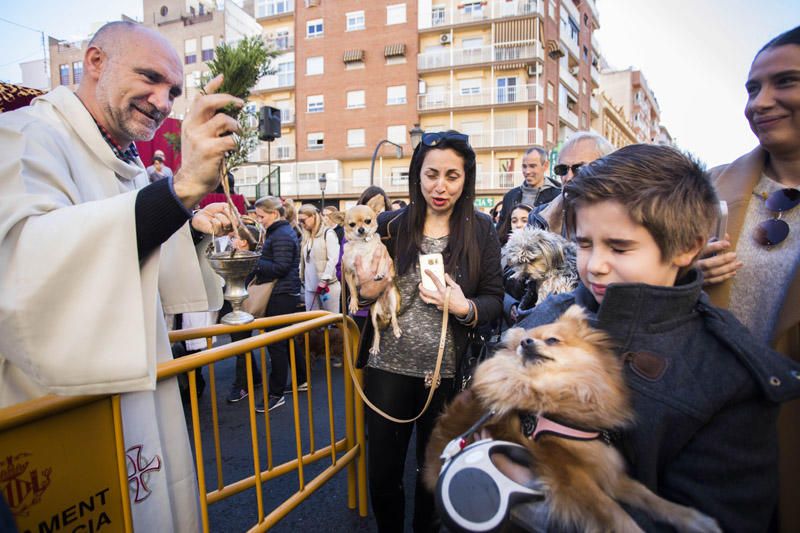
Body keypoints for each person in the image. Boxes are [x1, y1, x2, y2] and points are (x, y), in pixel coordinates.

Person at [0, 21, 242, 531]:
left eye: (173, 91)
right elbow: (26, 263)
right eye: (149, 78)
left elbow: (143, 251)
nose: (162, 101)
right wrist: (177, 193)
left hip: (137, 379)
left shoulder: (124, 160)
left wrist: (189, 223)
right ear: (94, 63)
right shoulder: (26, 135)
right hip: (63, 398)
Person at [513, 144, 800, 532]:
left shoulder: (727, 379)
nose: (594, 265)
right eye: (584, 244)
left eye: (619, 247)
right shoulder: (549, 315)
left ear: (686, 247)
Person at [354, 130, 504, 532]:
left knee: (431, 471)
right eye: (431, 174)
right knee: (383, 474)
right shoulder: (388, 225)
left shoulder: (482, 229)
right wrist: (366, 293)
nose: (441, 187)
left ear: (465, 179)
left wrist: (464, 307)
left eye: (452, 176)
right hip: (387, 368)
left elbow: (494, 298)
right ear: (416, 175)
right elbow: (357, 294)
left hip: (447, 374)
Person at [698, 25, 800, 532]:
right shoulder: (711, 187)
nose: (762, 102)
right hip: (712, 428)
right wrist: (684, 274)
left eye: (786, 82)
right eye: (752, 88)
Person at [529, 131, 615, 235]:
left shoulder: (628, 213)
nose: (568, 177)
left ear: (606, 169)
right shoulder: (540, 216)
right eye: (562, 169)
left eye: (580, 168)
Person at [495, 146, 560, 231]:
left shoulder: (558, 197)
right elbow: (501, 232)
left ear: (545, 165)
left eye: (532, 166)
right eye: (524, 166)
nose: (527, 171)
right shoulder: (510, 196)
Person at [297, 204, 341, 313]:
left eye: (303, 220)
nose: (301, 223)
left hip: (327, 287)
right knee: (311, 322)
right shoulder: (306, 236)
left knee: (331, 320)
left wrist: (324, 280)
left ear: (313, 216)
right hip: (309, 287)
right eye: (299, 221)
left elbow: (333, 259)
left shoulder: (328, 233)